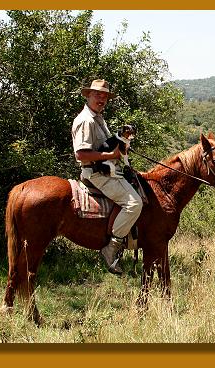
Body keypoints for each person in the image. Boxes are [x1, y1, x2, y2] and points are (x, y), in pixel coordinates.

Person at [71, 79, 143, 274]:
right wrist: (112, 156)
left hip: (108, 169)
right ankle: (111, 247)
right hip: (97, 174)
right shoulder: (86, 120)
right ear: (88, 95)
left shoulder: (98, 118)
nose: (101, 98)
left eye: (104, 96)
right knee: (134, 203)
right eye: (97, 94)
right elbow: (81, 154)